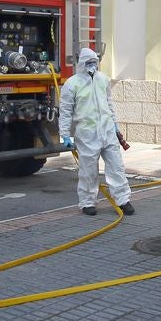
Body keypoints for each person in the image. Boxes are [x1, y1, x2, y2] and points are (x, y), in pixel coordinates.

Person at [58, 47, 134, 216]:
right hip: (87, 135)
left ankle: (123, 200)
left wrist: (115, 125)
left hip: (107, 132)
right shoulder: (72, 84)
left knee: (116, 168)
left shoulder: (103, 80)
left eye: (94, 62)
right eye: (89, 63)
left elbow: (109, 104)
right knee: (88, 171)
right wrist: (64, 134)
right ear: (82, 64)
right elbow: (65, 112)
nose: (92, 65)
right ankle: (87, 202)